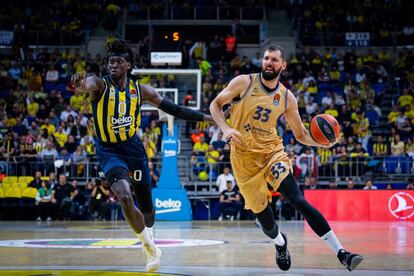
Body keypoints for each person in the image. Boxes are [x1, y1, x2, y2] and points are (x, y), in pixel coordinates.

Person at [210, 45, 363, 272]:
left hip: (272, 153)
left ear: (283, 65)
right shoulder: (243, 82)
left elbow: (300, 134)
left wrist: (323, 142)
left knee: (296, 199)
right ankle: (280, 244)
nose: (269, 63)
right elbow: (215, 105)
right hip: (243, 160)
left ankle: (342, 253)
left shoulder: (287, 97)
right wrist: (226, 129)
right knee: (267, 222)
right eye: (266, 58)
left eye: (274, 59)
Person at [71, 39, 213, 272]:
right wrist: (79, 81)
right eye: (110, 62)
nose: (113, 65)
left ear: (129, 65)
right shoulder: (100, 85)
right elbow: (88, 82)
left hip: (134, 149)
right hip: (109, 150)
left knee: (147, 205)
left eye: (118, 62)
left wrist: (208, 118)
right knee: (125, 197)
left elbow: (175, 110)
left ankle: (150, 237)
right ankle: (149, 248)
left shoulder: (142, 90)